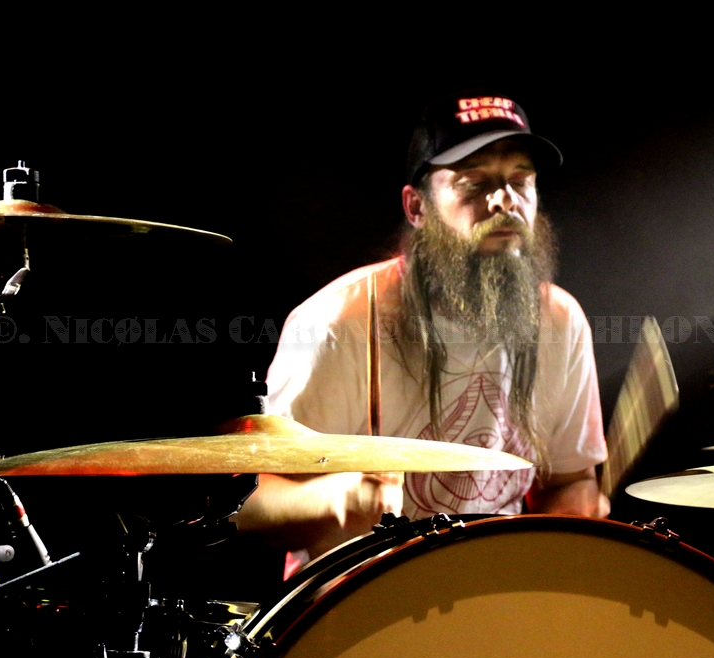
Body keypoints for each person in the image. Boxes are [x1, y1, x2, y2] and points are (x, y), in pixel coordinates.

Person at [235, 91, 609, 563]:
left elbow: (570, 482)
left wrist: (574, 522)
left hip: (501, 587)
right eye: (474, 183)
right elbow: (247, 506)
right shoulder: (336, 324)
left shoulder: (560, 320)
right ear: (417, 208)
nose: (505, 201)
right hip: (359, 593)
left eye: (521, 181)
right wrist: (335, 497)